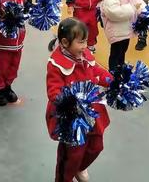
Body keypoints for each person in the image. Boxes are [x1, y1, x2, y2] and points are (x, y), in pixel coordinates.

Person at [46, 18, 111, 182]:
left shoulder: (85, 55)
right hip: (71, 119)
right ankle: (65, 177)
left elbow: (97, 71)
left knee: (96, 146)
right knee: (71, 155)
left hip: (92, 112)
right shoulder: (56, 64)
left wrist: (113, 81)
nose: (85, 46)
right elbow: (53, 91)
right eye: (81, 42)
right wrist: (69, 102)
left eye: (86, 41)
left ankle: (79, 168)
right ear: (65, 42)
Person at [100, 0, 145, 71]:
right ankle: (113, 72)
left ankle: (121, 67)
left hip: (126, 29)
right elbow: (113, 12)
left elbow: (138, 0)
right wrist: (132, 8)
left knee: (123, 50)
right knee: (116, 52)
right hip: (117, 31)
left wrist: (143, 10)